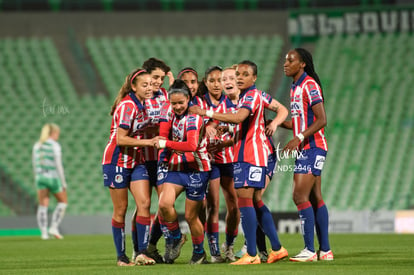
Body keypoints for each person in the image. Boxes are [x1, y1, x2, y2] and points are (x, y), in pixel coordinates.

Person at [192, 60, 288, 265]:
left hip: (254, 156)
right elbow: (239, 129)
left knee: (245, 201)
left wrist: (206, 113)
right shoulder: (241, 98)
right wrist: (225, 139)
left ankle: (252, 253)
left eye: (242, 75)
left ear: (253, 78)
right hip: (244, 155)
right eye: (236, 75)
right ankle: (276, 248)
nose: (236, 79)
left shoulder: (253, 96)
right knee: (254, 201)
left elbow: (239, 118)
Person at [102, 68, 163, 266]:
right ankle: (121, 257)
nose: (149, 88)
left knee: (144, 204)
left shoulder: (143, 105)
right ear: (134, 86)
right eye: (144, 85)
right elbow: (120, 139)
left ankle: (142, 252)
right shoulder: (128, 105)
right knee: (121, 208)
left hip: (136, 160)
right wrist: (150, 142)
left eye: (150, 85)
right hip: (117, 160)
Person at [282, 48, 333, 262]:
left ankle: (310, 250)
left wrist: (299, 137)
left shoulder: (309, 84)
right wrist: (274, 123)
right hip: (308, 147)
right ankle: (326, 251)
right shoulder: (295, 87)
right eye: (285, 60)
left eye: (290, 60)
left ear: (302, 64)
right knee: (314, 197)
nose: (285, 63)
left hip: (313, 147)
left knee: (299, 196)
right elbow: (299, 122)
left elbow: (322, 119)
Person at [154, 79, 211, 265]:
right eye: (174, 103)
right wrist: (164, 153)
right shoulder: (168, 113)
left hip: (197, 169)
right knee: (164, 204)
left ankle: (199, 253)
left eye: (181, 103)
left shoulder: (194, 118)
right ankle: (177, 237)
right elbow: (163, 135)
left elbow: (192, 145)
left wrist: (166, 144)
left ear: (188, 100)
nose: (177, 107)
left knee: (190, 216)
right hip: (177, 167)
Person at [129, 57, 172, 264]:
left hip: (162, 158)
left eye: (162, 78)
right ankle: (138, 250)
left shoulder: (165, 95)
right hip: (143, 158)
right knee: (142, 205)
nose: (158, 82)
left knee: (164, 204)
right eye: (155, 77)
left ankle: (151, 246)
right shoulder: (139, 98)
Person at [198, 66, 240, 263]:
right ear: (205, 83)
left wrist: (227, 140)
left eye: (219, 80)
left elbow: (238, 132)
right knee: (212, 205)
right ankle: (214, 251)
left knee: (234, 205)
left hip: (230, 159)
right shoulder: (199, 104)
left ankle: (229, 246)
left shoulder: (232, 103)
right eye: (212, 80)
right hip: (211, 161)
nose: (217, 84)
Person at [33, 123, 68, 240]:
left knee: (43, 205)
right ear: (53, 133)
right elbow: (58, 165)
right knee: (63, 202)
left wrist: (37, 177)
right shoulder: (55, 145)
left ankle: (44, 233)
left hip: (40, 177)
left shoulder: (37, 145)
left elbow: (34, 164)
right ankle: (53, 227)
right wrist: (63, 182)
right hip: (52, 176)